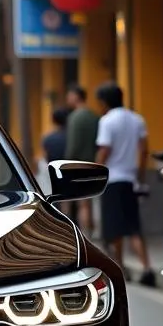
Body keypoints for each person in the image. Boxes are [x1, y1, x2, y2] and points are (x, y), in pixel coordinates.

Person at [95, 82, 155, 285]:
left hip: (111, 180)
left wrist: (94, 172)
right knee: (134, 226)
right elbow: (144, 150)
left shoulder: (107, 121)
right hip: (130, 180)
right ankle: (147, 267)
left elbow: (104, 150)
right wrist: (140, 176)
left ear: (104, 102)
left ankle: (120, 268)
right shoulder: (137, 119)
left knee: (114, 229)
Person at [64, 85, 99, 236]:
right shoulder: (94, 116)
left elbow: (73, 144)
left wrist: (66, 164)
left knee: (81, 203)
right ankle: (91, 230)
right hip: (94, 163)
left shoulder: (75, 117)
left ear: (76, 96)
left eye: (69, 95)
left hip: (78, 164)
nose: (67, 99)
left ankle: (84, 235)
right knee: (89, 201)